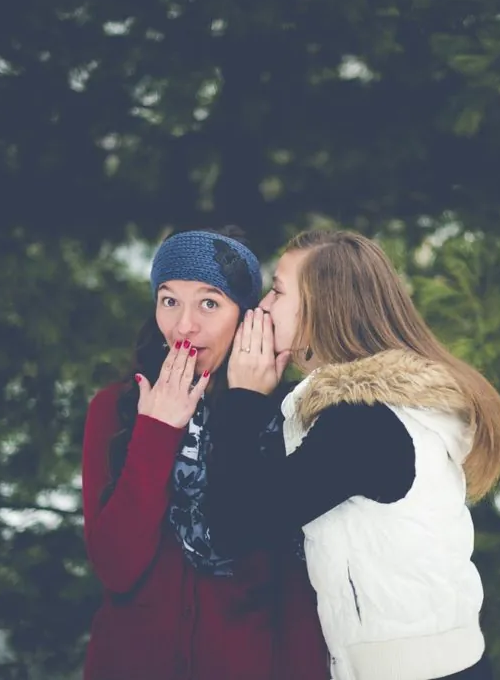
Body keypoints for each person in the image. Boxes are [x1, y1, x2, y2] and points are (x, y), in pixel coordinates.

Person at [206, 229, 500, 680]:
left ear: (322, 308)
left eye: (278, 290)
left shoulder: (362, 424)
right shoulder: (389, 410)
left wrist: (244, 400)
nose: (264, 306)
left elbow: (234, 526)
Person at [80, 227, 328, 680]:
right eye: (169, 300)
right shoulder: (115, 409)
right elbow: (115, 568)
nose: (183, 326)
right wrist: (155, 432)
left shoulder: (288, 414)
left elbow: (295, 587)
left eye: (209, 303)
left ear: (246, 317)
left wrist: (246, 406)